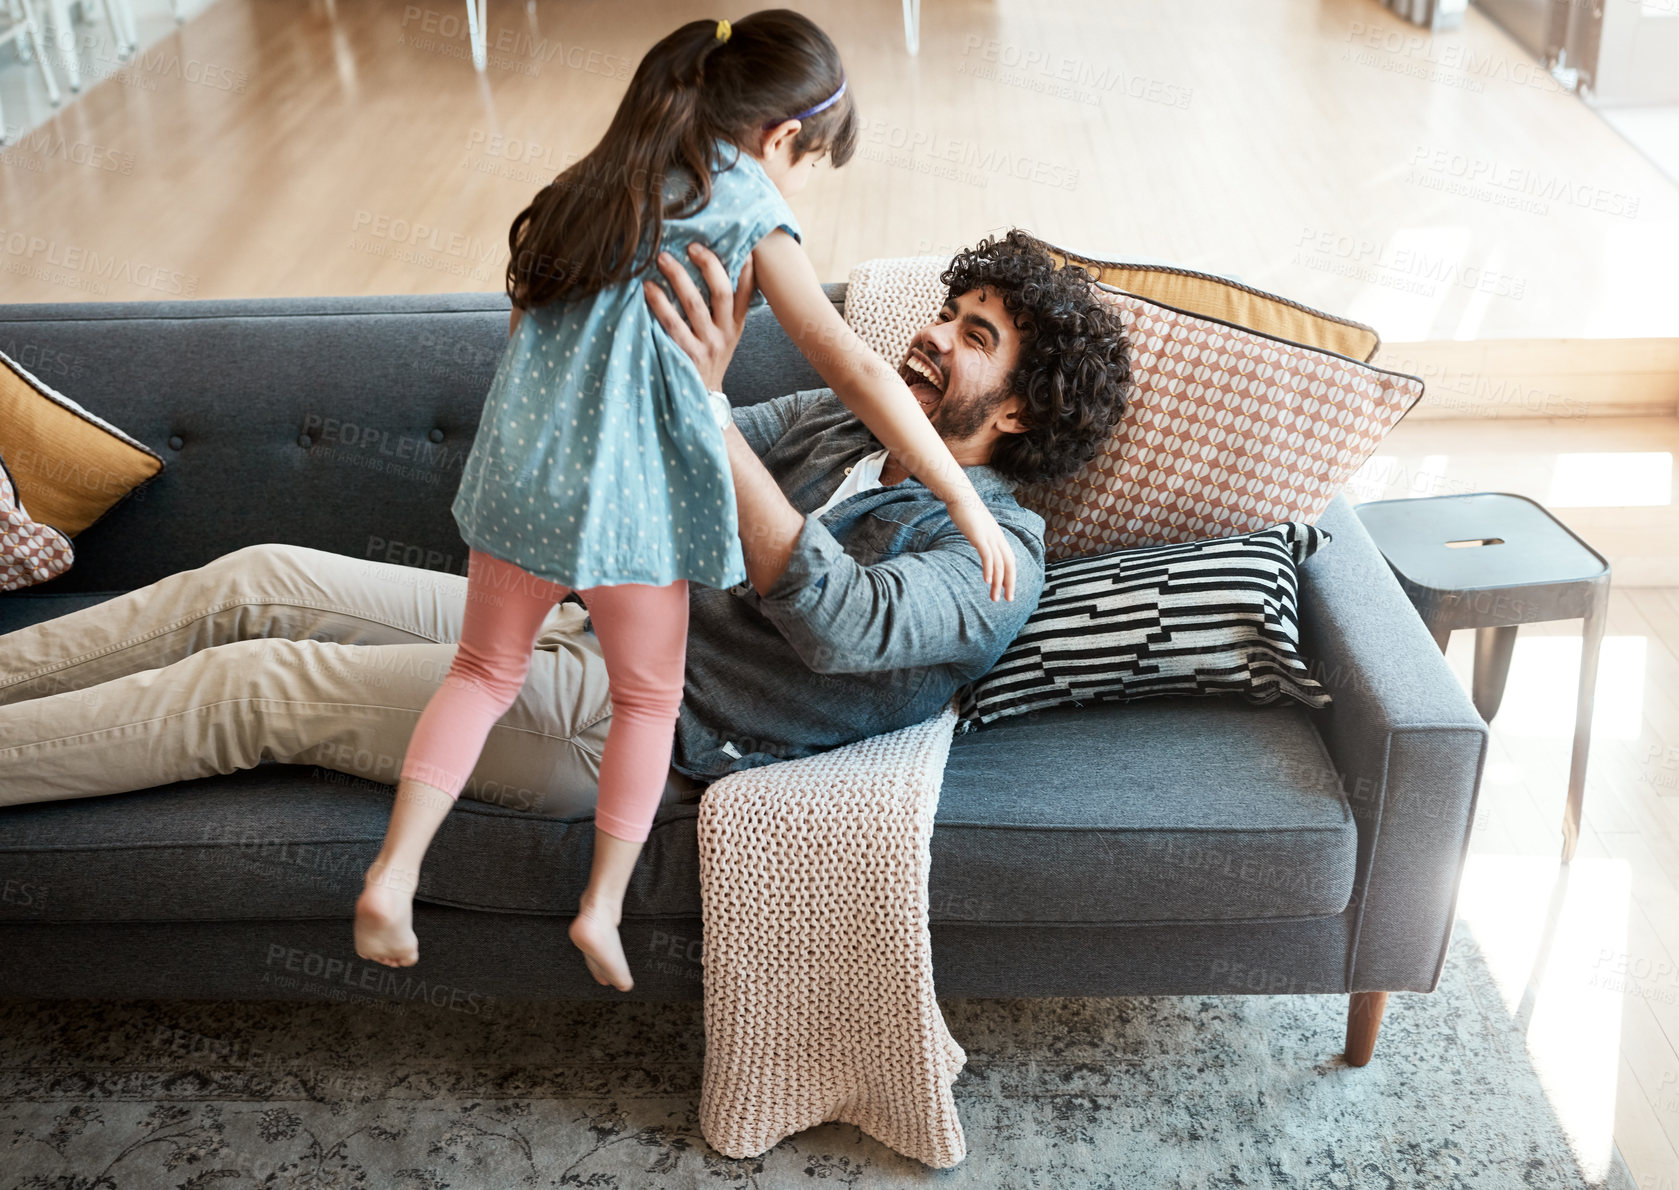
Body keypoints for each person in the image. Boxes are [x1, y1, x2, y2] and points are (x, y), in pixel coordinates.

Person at [0, 229, 1132, 989]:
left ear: (1024, 412)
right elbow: (669, 451)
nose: (931, 335)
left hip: (635, 730)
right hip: (579, 625)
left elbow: (835, 618)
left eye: (974, 336)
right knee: (258, 577)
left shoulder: (995, 556)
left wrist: (695, 404)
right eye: (947, 312)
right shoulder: (846, 426)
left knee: (258, 688)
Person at [359, 9, 1025, 990]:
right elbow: (851, 367)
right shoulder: (747, 203)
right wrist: (964, 505)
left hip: (517, 483)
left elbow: (523, 321)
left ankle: (392, 871)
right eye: (806, 166)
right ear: (781, 138)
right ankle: (599, 909)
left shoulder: (598, 182)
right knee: (647, 695)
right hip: (621, 507)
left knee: (479, 671)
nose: (795, 187)